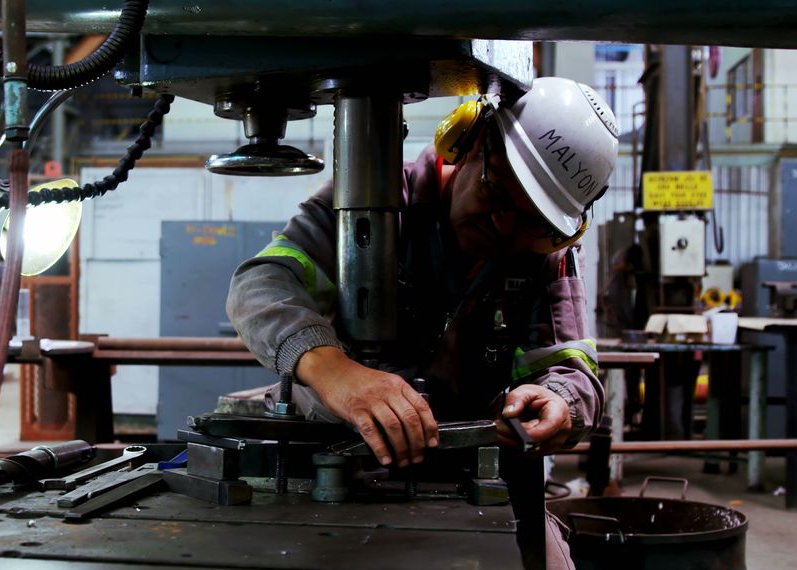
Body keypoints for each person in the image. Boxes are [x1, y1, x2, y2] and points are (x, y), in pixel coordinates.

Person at [226, 76, 619, 569]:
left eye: (533, 224)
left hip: (474, 476)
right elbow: (260, 284)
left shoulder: (543, 254)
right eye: (498, 197)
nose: (507, 232)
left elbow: (572, 365)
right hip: (334, 462)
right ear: (468, 139)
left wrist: (561, 402)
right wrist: (337, 374)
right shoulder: (373, 198)